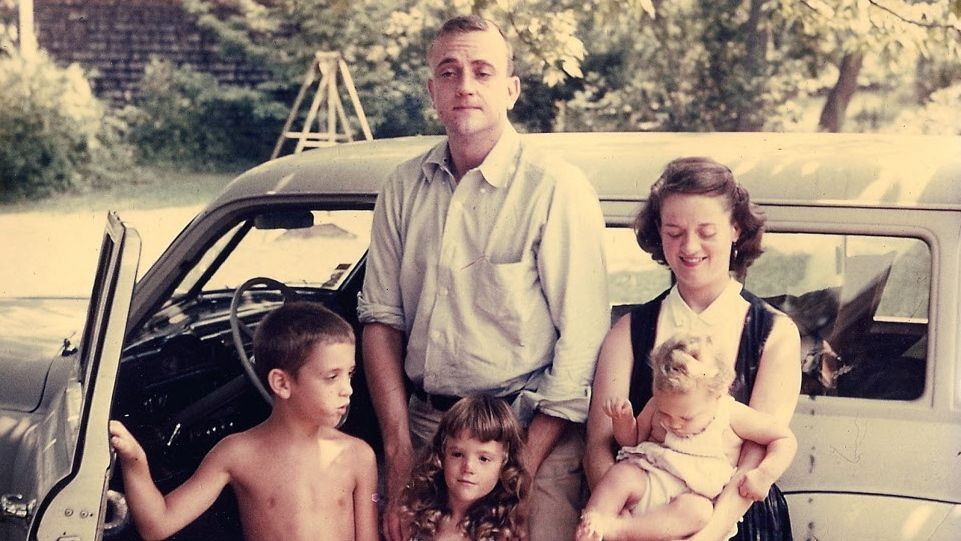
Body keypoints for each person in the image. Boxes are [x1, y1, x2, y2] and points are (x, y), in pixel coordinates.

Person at [358, 14, 609, 541]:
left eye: (483, 71)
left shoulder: (554, 188)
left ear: (511, 90)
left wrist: (520, 468)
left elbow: (584, 337)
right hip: (429, 433)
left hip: (530, 431)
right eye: (449, 72)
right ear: (432, 91)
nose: (465, 85)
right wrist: (399, 454)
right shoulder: (402, 187)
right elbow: (381, 320)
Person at [584, 156, 802, 541]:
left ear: (735, 228)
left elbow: (754, 456)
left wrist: (706, 535)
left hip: (734, 522)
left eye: (706, 231)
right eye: (674, 232)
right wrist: (634, 528)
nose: (689, 246)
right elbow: (599, 446)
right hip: (637, 522)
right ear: (658, 232)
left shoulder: (774, 334)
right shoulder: (629, 332)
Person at [110, 302, 378, 541]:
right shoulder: (237, 454)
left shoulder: (358, 456)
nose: (347, 389)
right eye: (332, 377)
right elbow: (157, 525)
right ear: (281, 383)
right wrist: (135, 459)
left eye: (350, 374)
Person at [576, 334, 797, 541]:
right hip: (649, 482)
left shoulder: (731, 415)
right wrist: (623, 421)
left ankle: (620, 530)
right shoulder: (657, 405)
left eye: (686, 417)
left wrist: (765, 474)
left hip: (686, 505)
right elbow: (632, 441)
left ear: (717, 395)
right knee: (621, 475)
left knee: (700, 512)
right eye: (665, 413)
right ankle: (592, 526)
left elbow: (783, 438)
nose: (673, 424)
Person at [400, 395, 532, 540]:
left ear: (504, 465)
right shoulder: (416, 518)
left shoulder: (504, 532)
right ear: (441, 455)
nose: (468, 467)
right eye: (458, 454)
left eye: (483, 459)